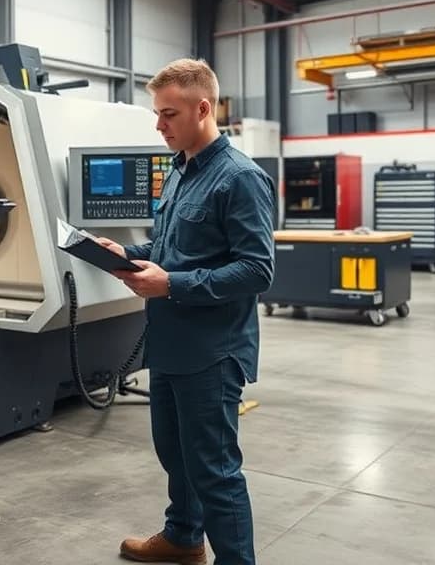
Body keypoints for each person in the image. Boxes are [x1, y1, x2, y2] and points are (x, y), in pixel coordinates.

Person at [97, 58, 276, 565]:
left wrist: (171, 283)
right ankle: (183, 537)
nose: (159, 125)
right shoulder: (178, 171)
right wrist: (127, 254)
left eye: (168, 114)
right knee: (175, 453)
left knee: (214, 470)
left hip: (212, 351)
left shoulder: (240, 178)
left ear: (202, 109)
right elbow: (172, 248)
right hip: (171, 342)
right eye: (157, 113)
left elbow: (257, 270)